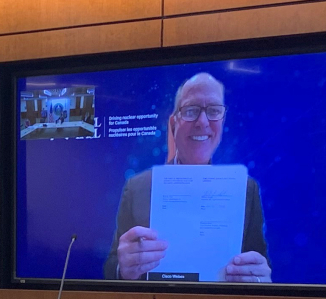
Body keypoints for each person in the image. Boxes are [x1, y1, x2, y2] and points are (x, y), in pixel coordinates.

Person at [103, 72, 271, 282]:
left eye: (213, 111)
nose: (202, 122)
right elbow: (111, 267)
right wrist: (122, 269)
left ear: (223, 120)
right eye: (191, 111)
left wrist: (260, 277)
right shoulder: (137, 188)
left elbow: (260, 265)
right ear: (174, 123)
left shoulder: (247, 190)